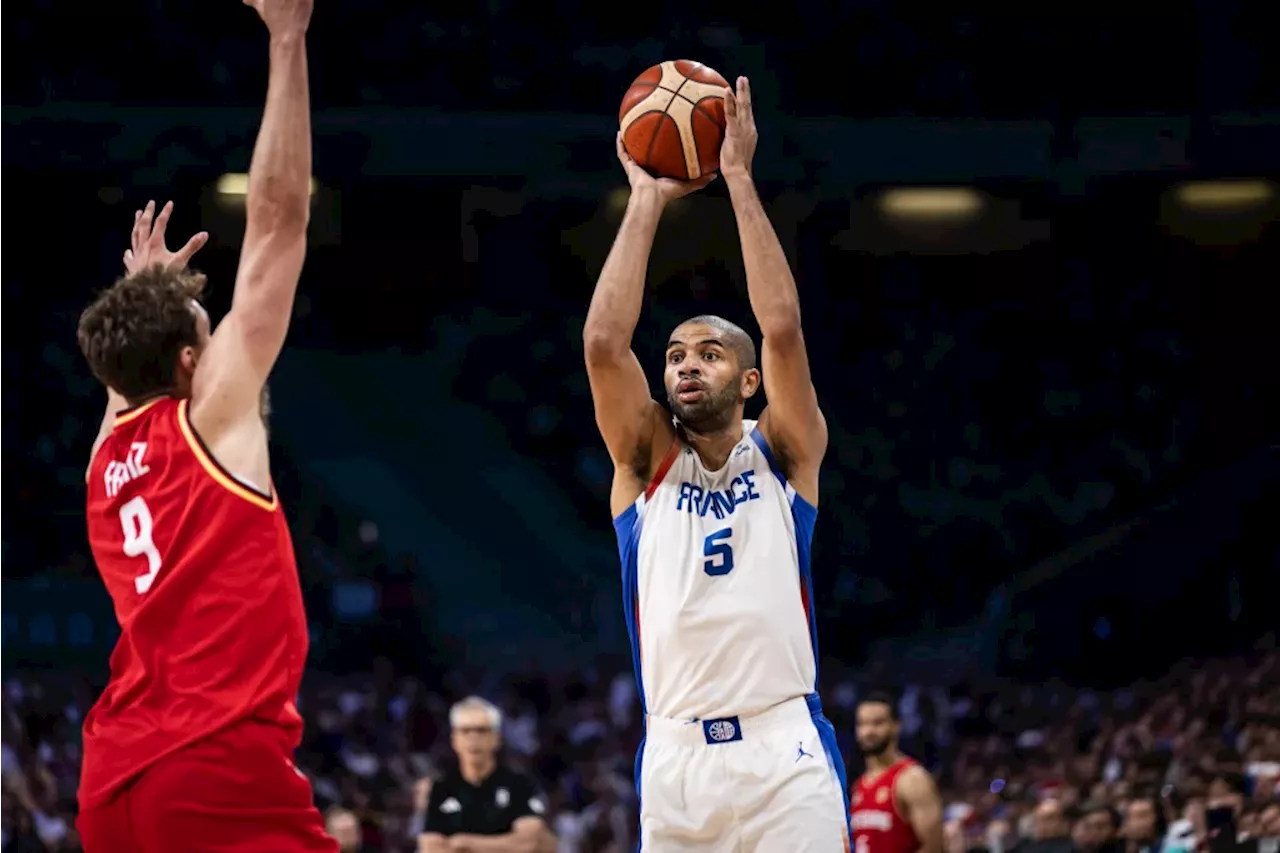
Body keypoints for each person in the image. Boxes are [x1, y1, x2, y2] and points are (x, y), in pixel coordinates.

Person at [72, 0, 330, 850]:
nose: (217, 336)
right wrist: (287, 39)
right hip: (215, 764)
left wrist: (149, 292)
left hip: (114, 781)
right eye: (205, 333)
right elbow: (278, 221)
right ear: (190, 365)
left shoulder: (106, 463)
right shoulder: (212, 420)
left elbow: (122, 376)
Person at [582, 76, 849, 850]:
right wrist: (646, 198)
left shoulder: (785, 452)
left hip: (784, 752)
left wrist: (737, 179)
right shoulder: (643, 467)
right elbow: (603, 345)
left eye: (708, 352)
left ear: (749, 380)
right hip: (674, 757)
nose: (685, 366)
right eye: (673, 356)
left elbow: (784, 326)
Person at [419, 697, 554, 853]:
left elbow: (528, 844)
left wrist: (464, 842)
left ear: (496, 738)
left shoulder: (521, 784)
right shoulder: (440, 788)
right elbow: (431, 847)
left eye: (482, 731)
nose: (473, 739)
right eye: (465, 731)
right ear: (454, 740)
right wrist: (503, 844)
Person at [850, 694, 943, 853]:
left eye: (877, 723)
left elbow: (934, 847)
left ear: (896, 726)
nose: (868, 731)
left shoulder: (912, 779)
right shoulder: (860, 784)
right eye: (862, 724)